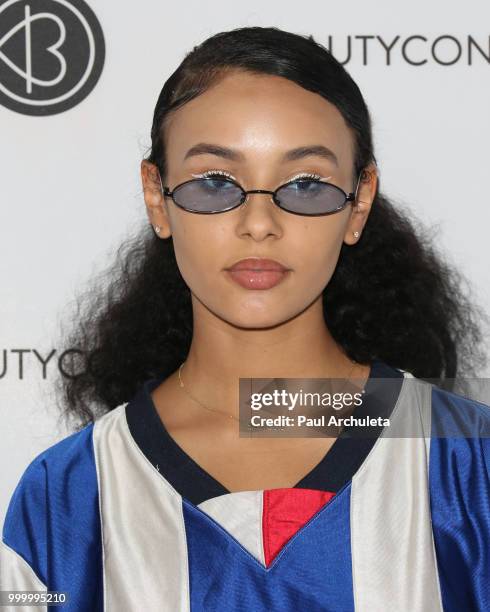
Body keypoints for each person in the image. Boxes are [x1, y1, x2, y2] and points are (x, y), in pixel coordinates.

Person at [1, 26, 489, 612]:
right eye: (214, 183)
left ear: (359, 203)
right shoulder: (67, 498)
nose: (259, 222)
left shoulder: (472, 467)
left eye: (306, 184)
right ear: (156, 197)